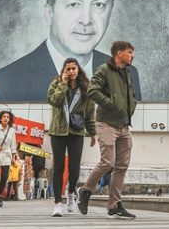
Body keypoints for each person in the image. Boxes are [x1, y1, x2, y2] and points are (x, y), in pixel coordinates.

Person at [0, 0, 140, 102]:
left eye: (99, 5)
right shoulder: (7, 80)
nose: (86, 20)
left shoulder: (127, 74)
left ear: (111, 11)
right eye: (73, 5)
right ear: (49, 12)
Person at [77, 41, 139, 219]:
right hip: (106, 123)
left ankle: (114, 205)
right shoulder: (104, 70)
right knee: (108, 162)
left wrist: (131, 105)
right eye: (130, 52)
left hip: (124, 125)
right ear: (119, 53)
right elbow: (92, 90)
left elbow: (131, 95)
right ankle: (86, 190)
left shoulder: (127, 72)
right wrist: (111, 104)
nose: (132, 55)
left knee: (122, 166)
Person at [47, 57, 96, 217]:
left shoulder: (85, 88)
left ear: (78, 70)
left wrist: (92, 132)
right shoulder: (56, 84)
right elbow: (54, 101)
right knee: (58, 167)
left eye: (74, 69)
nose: (71, 72)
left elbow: (89, 113)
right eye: (68, 69)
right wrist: (62, 83)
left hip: (76, 132)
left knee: (74, 168)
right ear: (63, 71)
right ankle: (57, 203)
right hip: (58, 132)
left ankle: (70, 193)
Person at [0, 111, 17, 208]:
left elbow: (13, 145)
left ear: (9, 119)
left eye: (7, 117)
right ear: (0, 119)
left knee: (4, 177)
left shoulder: (12, 130)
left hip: (6, 155)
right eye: (4, 117)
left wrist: (14, 157)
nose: (6, 118)